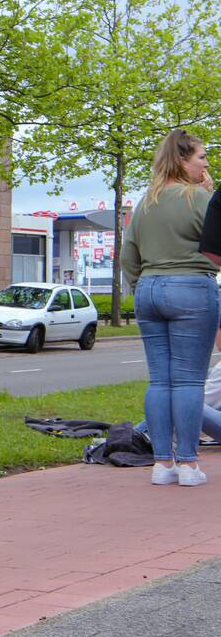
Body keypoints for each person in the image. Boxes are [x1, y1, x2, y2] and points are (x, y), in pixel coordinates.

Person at [121, 129, 218, 487]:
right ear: (182, 160)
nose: (207, 164)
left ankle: (163, 464)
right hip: (192, 287)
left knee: (160, 380)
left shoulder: (146, 200)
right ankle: (190, 466)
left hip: (148, 289)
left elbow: (127, 256)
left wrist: (143, 285)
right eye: (202, 158)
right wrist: (210, 195)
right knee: (190, 380)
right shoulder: (199, 198)